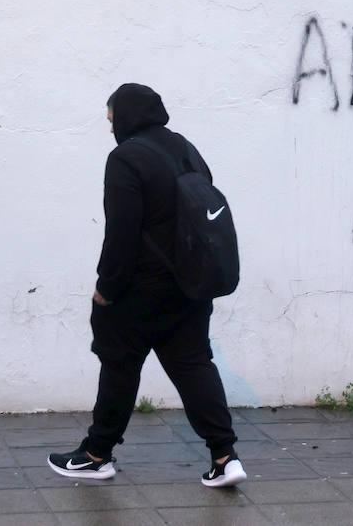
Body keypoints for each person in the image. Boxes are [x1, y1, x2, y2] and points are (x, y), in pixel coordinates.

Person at [47, 83, 245, 488]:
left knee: (119, 365)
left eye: (111, 119)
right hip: (191, 283)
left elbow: (122, 232)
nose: (110, 128)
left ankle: (96, 455)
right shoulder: (186, 148)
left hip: (141, 289)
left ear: (127, 116)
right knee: (193, 365)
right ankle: (225, 457)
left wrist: (107, 288)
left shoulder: (125, 158)